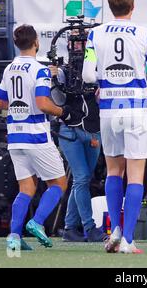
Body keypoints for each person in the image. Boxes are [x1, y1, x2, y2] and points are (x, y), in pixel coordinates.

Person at [81, 0, 147, 254]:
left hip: (109, 108)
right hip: (135, 108)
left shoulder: (95, 34)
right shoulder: (144, 33)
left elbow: (87, 75)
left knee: (113, 171)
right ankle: (129, 241)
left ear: (111, 7)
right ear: (132, 7)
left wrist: (103, 83)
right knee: (135, 175)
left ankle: (116, 232)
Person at [0, 24, 78, 251]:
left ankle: (13, 236)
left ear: (16, 43)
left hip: (15, 136)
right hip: (36, 136)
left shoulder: (9, 69)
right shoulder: (39, 70)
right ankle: (37, 222)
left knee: (26, 188)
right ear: (37, 43)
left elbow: (0, 103)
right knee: (59, 183)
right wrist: (65, 112)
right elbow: (43, 103)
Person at [48, 30, 106, 243]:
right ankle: (89, 228)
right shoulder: (63, 72)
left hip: (93, 131)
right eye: (76, 44)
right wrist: (54, 78)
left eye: (83, 43)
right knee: (81, 178)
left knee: (81, 181)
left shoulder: (100, 69)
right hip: (70, 132)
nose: (79, 48)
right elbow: (57, 99)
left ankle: (70, 227)